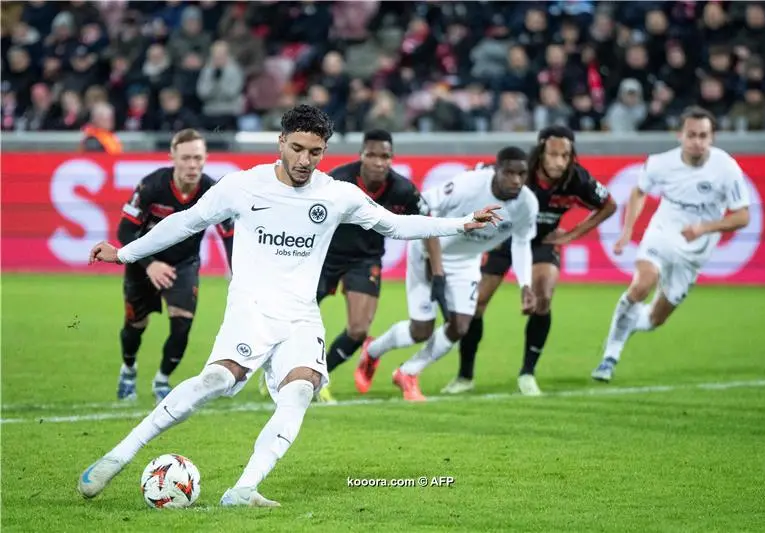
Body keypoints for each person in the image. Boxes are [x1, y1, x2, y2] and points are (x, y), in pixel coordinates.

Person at [78, 104, 502, 507]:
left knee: (300, 390)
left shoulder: (337, 195)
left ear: (325, 151)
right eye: (297, 148)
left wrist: (461, 223)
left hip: (300, 315)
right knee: (215, 382)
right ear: (280, 142)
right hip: (252, 309)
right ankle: (119, 454)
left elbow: (396, 224)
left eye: (315, 152)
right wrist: (126, 254)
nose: (305, 159)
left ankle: (243, 490)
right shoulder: (243, 186)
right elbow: (184, 222)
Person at [354, 147, 540, 401]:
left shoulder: (527, 203)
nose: (516, 180)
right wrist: (435, 263)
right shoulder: (468, 185)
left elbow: (521, 243)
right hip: (428, 252)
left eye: (522, 174)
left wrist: (525, 285)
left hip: (466, 262)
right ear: (496, 170)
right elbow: (424, 205)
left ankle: (408, 372)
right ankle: (372, 351)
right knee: (421, 330)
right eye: (510, 172)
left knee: (460, 325)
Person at [445, 125, 618, 396]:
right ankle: (465, 376)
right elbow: (479, 175)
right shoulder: (519, 172)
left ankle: (527, 373)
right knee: (476, 304)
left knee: (543, 297)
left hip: (541, 242)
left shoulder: (578, 179)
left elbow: (609, 205)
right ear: (541, 151)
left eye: (565, 155)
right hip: (503, 240)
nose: (559, 162)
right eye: (553, 154)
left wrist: (571, 235)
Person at [282, 128, 446, 403]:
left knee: (358, 330)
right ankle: (277, 372)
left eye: (385, 156)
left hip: (365, 259)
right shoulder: (338, 180)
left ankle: (318, 380)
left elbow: (428, 225)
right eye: (372, 155)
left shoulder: (403, 190)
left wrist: (438, 274)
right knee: (294, 319)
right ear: (361, 155)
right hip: (325, 256)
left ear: (392, 158)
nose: (379, 162)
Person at [591, 106, 751, 382]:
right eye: (692, 135)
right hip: (662, 234)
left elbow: (743, 216)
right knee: (642, 284)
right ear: (680, 135)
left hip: (695, 251)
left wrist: (705, 227)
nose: (697, 142)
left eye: (703, 136)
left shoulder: (726, 168)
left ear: (712, 138)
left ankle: (625, 324)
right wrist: (628, 231)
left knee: (655, 319)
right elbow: (639, 191)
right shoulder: (660, 163)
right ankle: (610, 356)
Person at [116, 128, 234, 402]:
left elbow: (229, 235)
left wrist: (236, 273)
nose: (192, 165)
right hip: (143, 263)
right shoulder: (151, 186)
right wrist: (150, 264)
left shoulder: (212, 191)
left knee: (182, 325)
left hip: (184, 263)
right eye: (186, 158)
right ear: (172, 157)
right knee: (135, 326)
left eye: (198, 158)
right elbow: (124, 232)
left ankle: (161, 381)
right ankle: (129, 370)